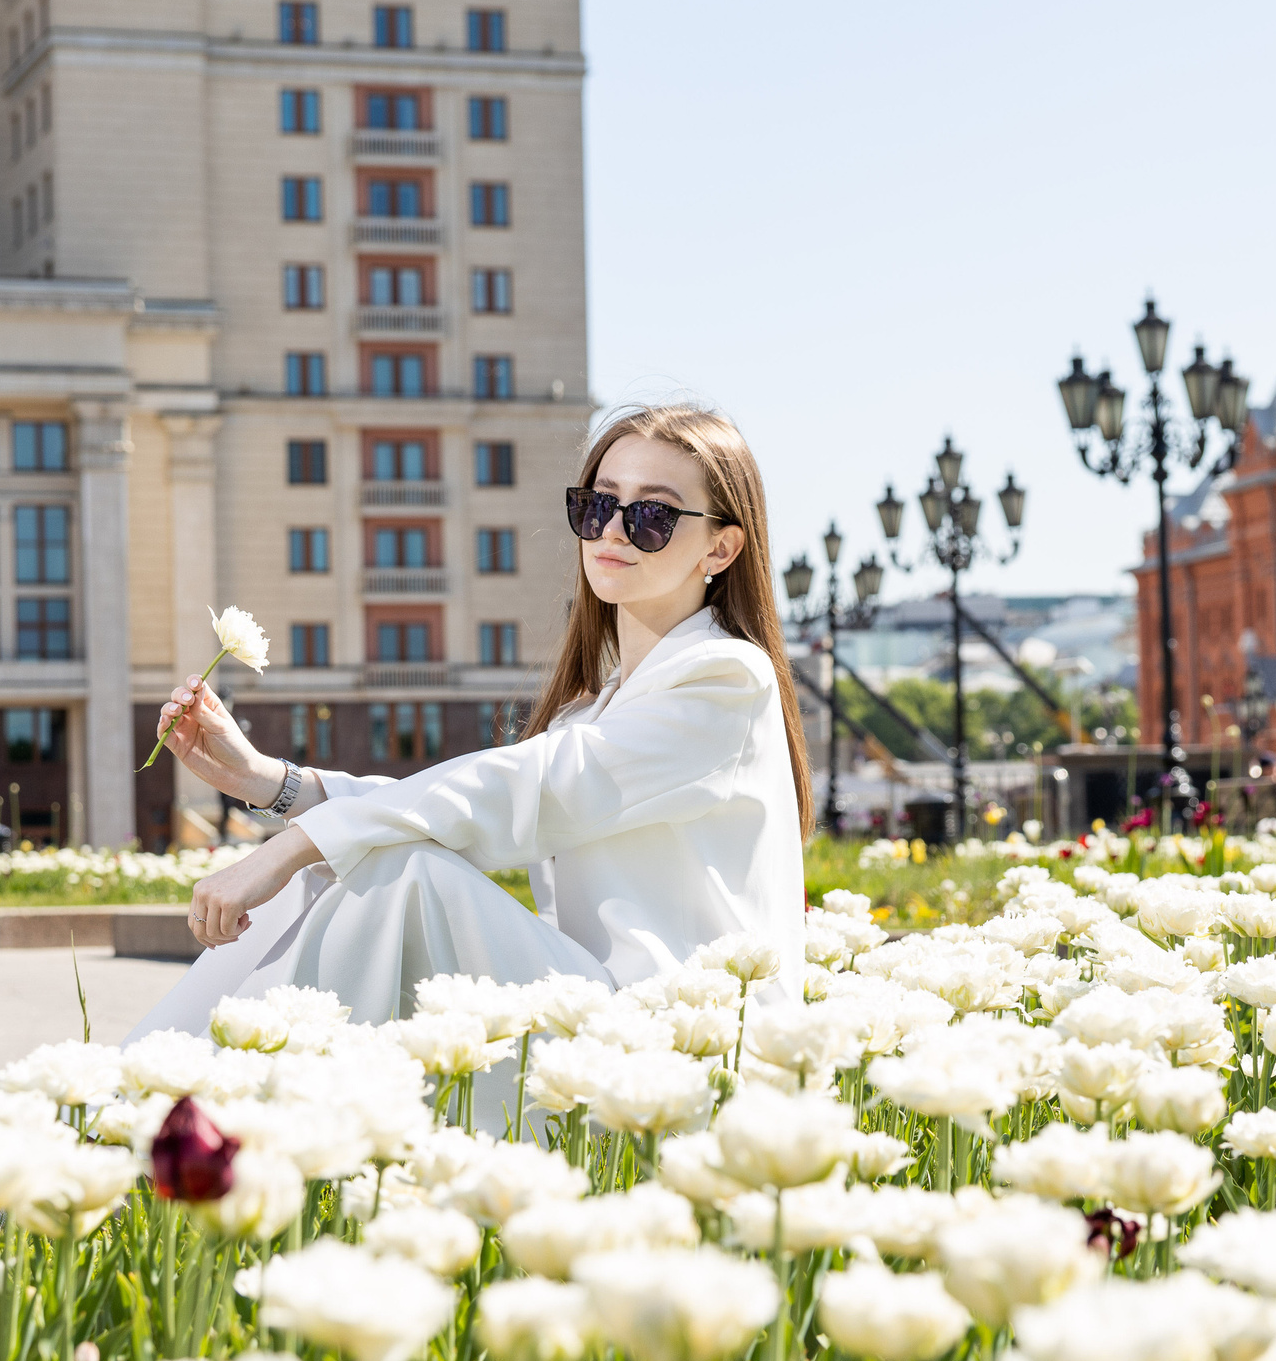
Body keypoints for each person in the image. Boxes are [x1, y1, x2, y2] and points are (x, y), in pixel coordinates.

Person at [124, 403, 811, 1043]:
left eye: (652, 516)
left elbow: (530, 788)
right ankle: (149, 1084)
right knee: (341, 865)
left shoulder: (726, 678)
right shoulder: (594, 708)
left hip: (688, 1045)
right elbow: (468, 801)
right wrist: (273, 782)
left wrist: (290, 844)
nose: (610, 530)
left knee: (399, 874)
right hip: (601, 1017)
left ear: (720, 550)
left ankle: (213, 1110)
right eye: (599, 504)